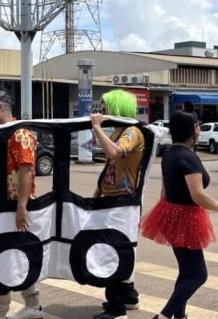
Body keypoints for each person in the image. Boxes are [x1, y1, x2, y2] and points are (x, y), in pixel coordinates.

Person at [141, 110, 218, 319]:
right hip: (186, 219)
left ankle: (179, 315)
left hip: (171, 214)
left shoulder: (170, 154)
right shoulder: (188, 158)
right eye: (197, 125)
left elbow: (164, 189)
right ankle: (163, 316)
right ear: (192, 130)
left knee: (186, 271)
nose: (199, 129)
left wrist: (165, 214)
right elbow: (198, 195)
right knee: (199, 275)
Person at [0, 90, 45, 319]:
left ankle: (5, 312)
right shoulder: (3, 134)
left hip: (16, 206)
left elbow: (27, 170)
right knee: (13, 256)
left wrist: (21, 207)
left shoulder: (19, 134)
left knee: (8, 256)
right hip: (5, 205)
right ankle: (30, 305)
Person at [91, 89, 144, 319]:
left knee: (113, 252)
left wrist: (96, 127)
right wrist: (97, 193)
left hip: (123, 201)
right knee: (122, 250)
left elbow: (114, 153)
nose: (102, 112)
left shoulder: (132, 132)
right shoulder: (117, 132)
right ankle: (128, 296)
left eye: (105, 108)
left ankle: (117, 309)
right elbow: (109, 167)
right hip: (111, 198)